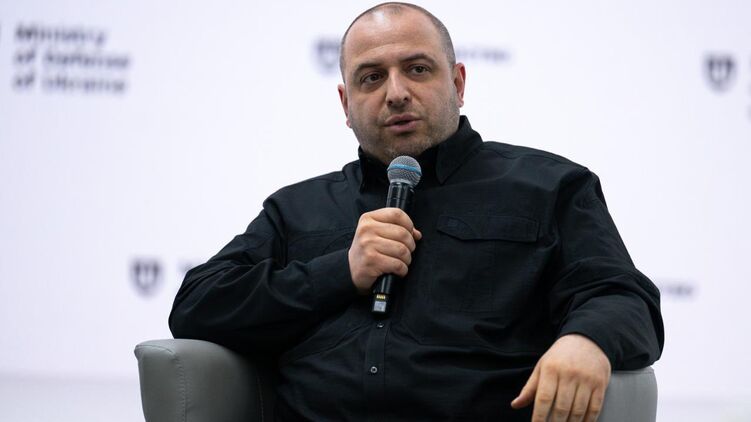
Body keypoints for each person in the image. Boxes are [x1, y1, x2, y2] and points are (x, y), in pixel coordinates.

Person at [169, 2, 664, 421]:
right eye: (371, 78)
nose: (396, 92)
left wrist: (586, 339)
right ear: (345, 104)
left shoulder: (549, 186)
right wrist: (339, 271)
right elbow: (197, 305)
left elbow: (622, 297)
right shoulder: (297, 208)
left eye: (418, 69)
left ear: (458, 83)